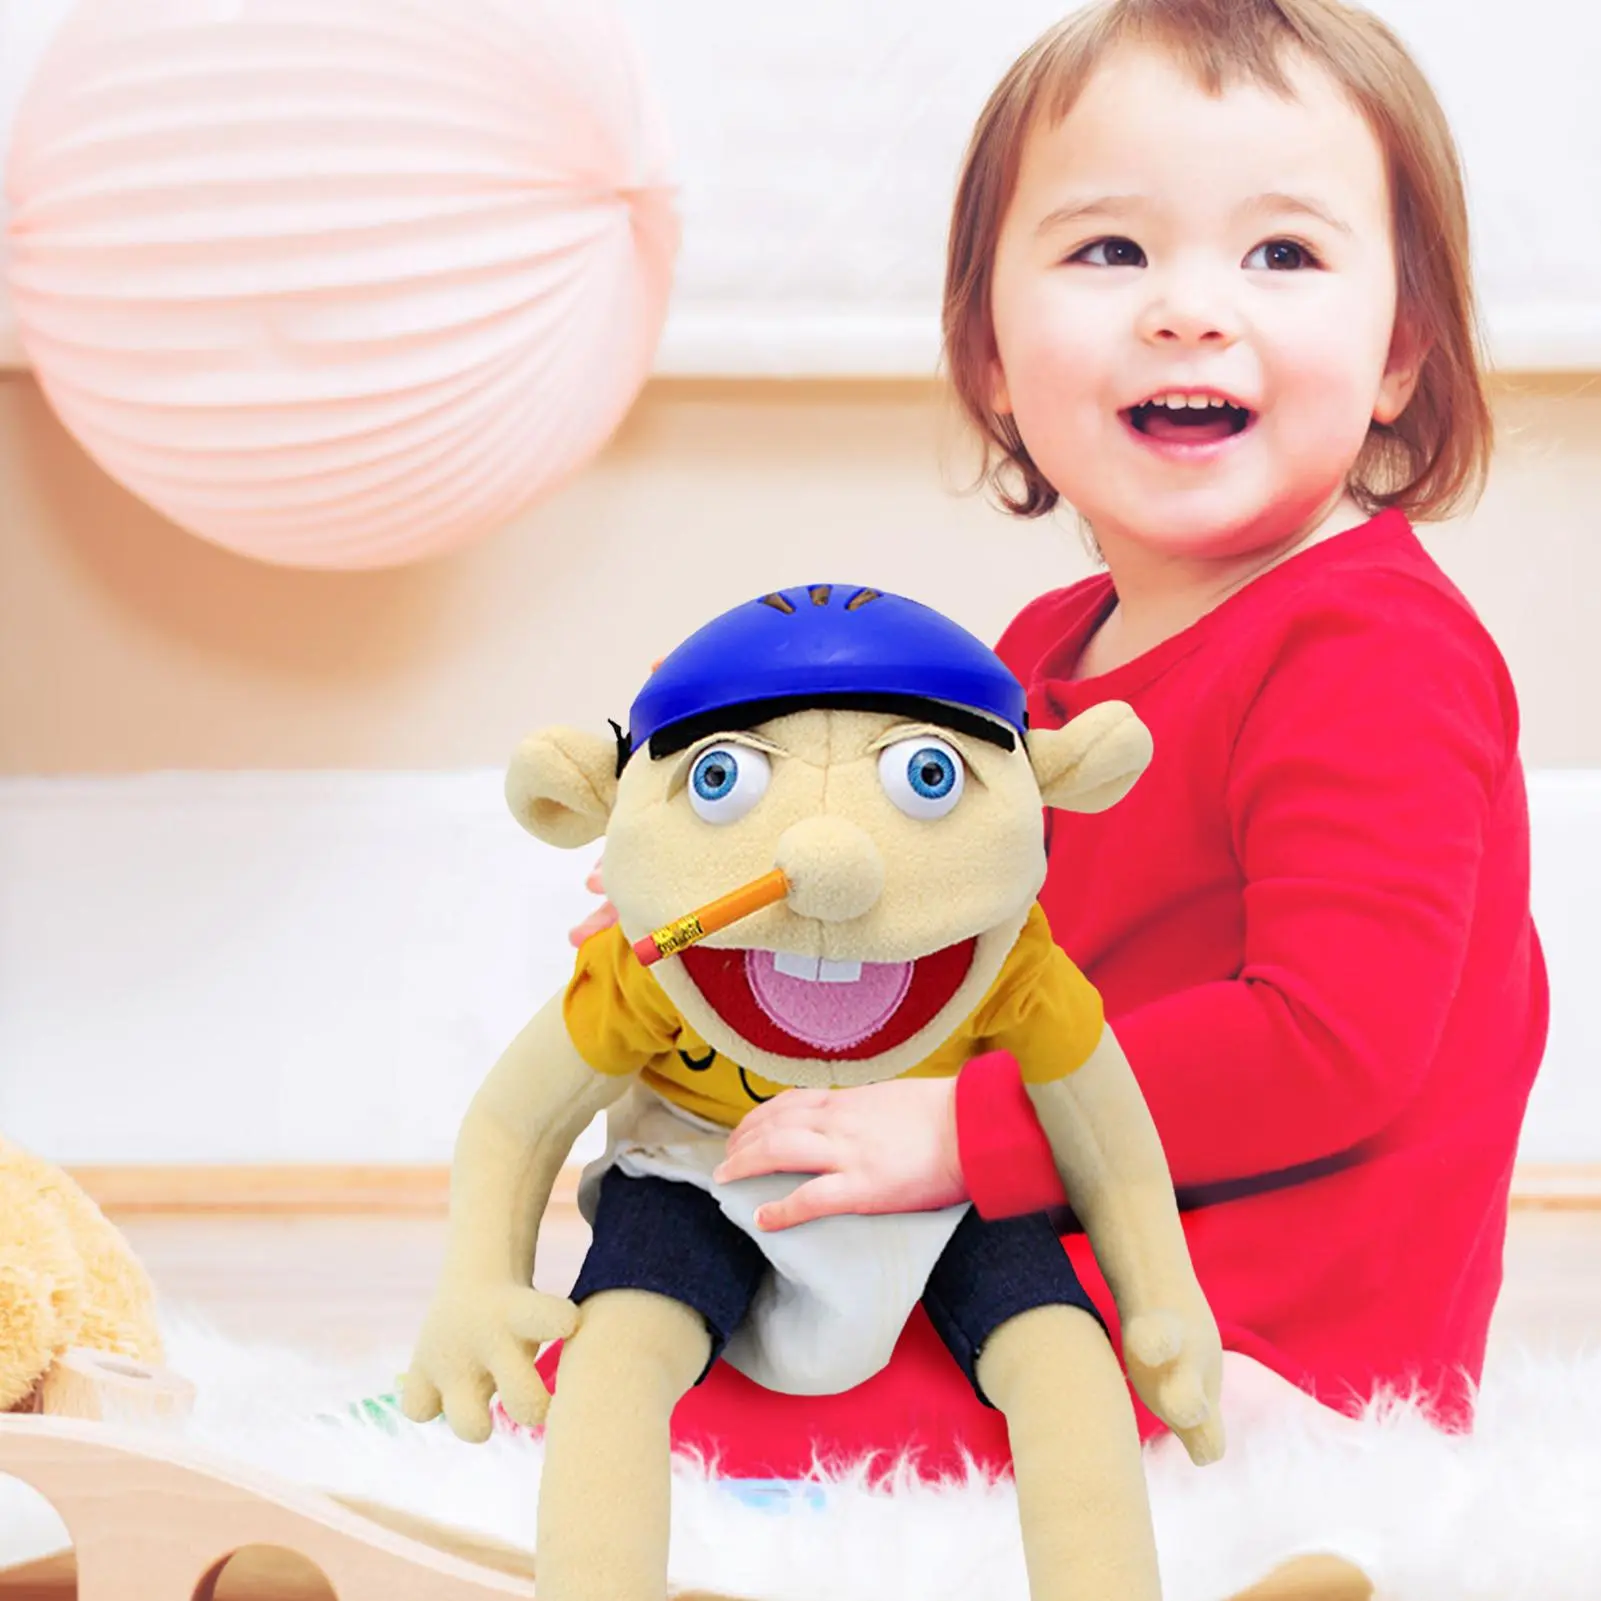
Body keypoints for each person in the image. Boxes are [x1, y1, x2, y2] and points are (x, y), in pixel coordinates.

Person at [562, 0, 1547, 1478]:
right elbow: (965, 941)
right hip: (1058, 1228)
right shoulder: (1038, 654)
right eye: (1111, 250)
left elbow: (1330, 1044)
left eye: (1283, 253)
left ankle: (1266, 1457)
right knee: (658, 1314)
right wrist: (732, 903)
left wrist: (960, 1136)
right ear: (991, 357)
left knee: (697, 1415)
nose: (1188, 310)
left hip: (1255, 1308)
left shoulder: (1373, 655)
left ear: (1399, 350)